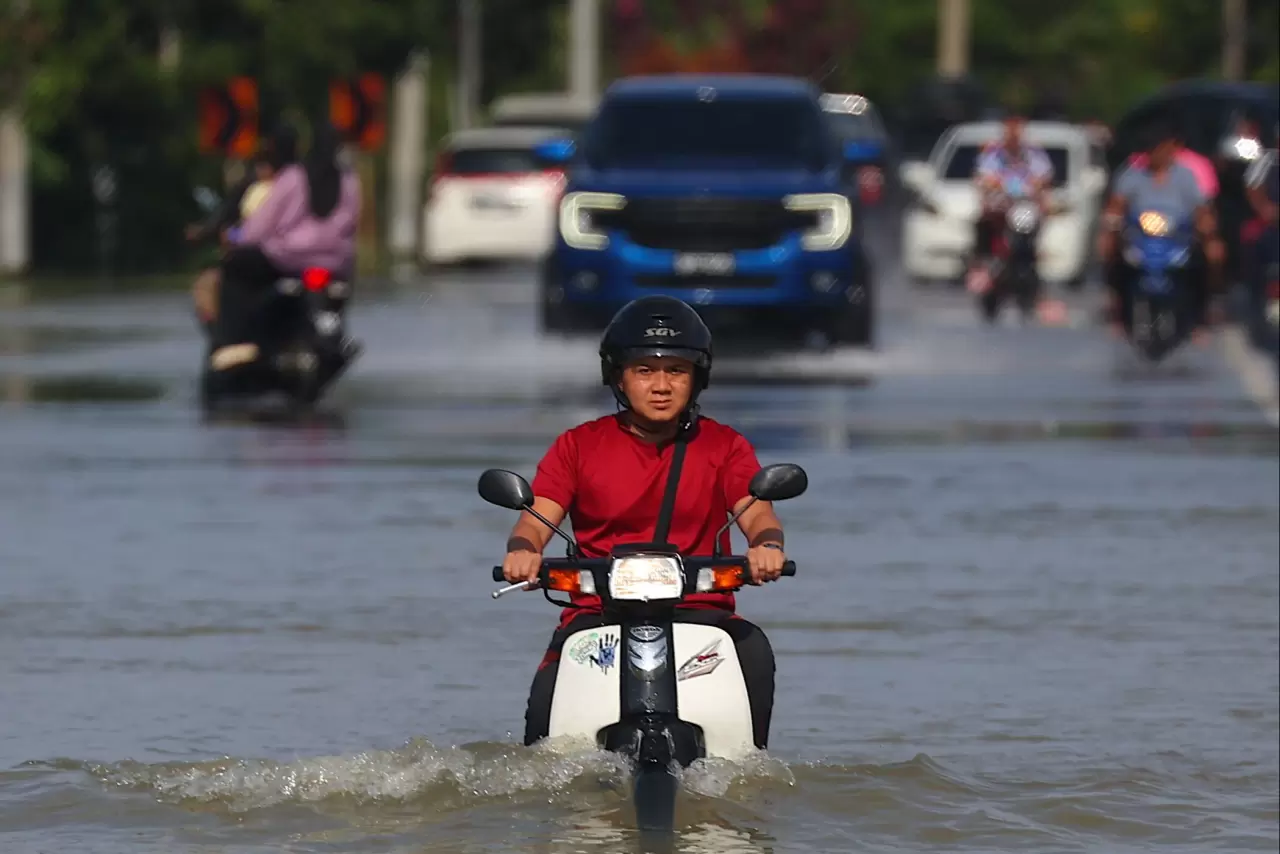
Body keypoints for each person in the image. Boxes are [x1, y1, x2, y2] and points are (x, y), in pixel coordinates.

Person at [503, 295, 788, 751]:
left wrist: (767, 545)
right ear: (618, 376)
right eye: (645, 371)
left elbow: (756, 511)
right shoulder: (578, 446)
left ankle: (744, 776)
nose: (661, 386)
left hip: (699, 613)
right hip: (597, 618)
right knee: (544, 717)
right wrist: (524, 551)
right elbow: (537, 517)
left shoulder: (724, 445)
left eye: (676, 371)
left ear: (697, 379)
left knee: (752, 650)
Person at [209, 123, 361, 372]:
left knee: (234, 268)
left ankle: (231, 342)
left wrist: (236, 237)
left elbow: (259, 227)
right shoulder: (349, 181)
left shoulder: (294, 177)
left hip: (287, 261)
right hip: (335, 265)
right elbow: (353, 221)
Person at [1096, 117, 1224, 342]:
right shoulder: (1132, 175)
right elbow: (1116, 205)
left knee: (1210, 257)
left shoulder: (1185, 176)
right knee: (1110, 252)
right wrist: (1111, 224)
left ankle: (1200, 315)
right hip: (1140, 237)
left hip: (1178, 237)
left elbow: (1201, 208)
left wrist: (1207, 228)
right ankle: (1119, 309)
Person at [186, 124, 299, 325]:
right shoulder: (304, 180)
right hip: (301, 259)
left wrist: (233, 236)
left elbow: (256, 231)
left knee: (212, 284)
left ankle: (226, 335)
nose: (261, 168)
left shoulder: (276, 187)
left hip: (267, 259)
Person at [966, 114, 1054, 293]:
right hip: (999, 206)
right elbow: (984, 176)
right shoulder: (993, 152)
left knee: (1032, 226)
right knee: (983, 222)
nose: (1013, 135)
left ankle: (1029, 262)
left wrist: (1035, 186)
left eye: (1017, 130)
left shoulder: (1033, 153)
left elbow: (1044, 176)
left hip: (1023, 206)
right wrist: (997, 184)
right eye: (1010, 130)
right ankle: (982, 264)